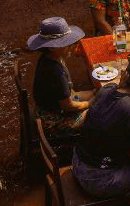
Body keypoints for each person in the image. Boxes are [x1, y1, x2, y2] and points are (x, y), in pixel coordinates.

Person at [72, 56, 130, 198]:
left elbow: (106, 103)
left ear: (125, 75)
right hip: (99, 180)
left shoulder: (107, 89)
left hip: (77, 162)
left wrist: (119, 86)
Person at [28, 17, 93, 152]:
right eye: (66, 44)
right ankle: (90, 149)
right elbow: (69, 105)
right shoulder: (54, 72)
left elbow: (70, 94)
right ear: (52, 47)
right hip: (54, 119)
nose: (71, 46)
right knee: (99, 112)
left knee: (98, 93)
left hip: (51, 108)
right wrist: (90, 104)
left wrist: (95, 95)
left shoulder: (51, 59)